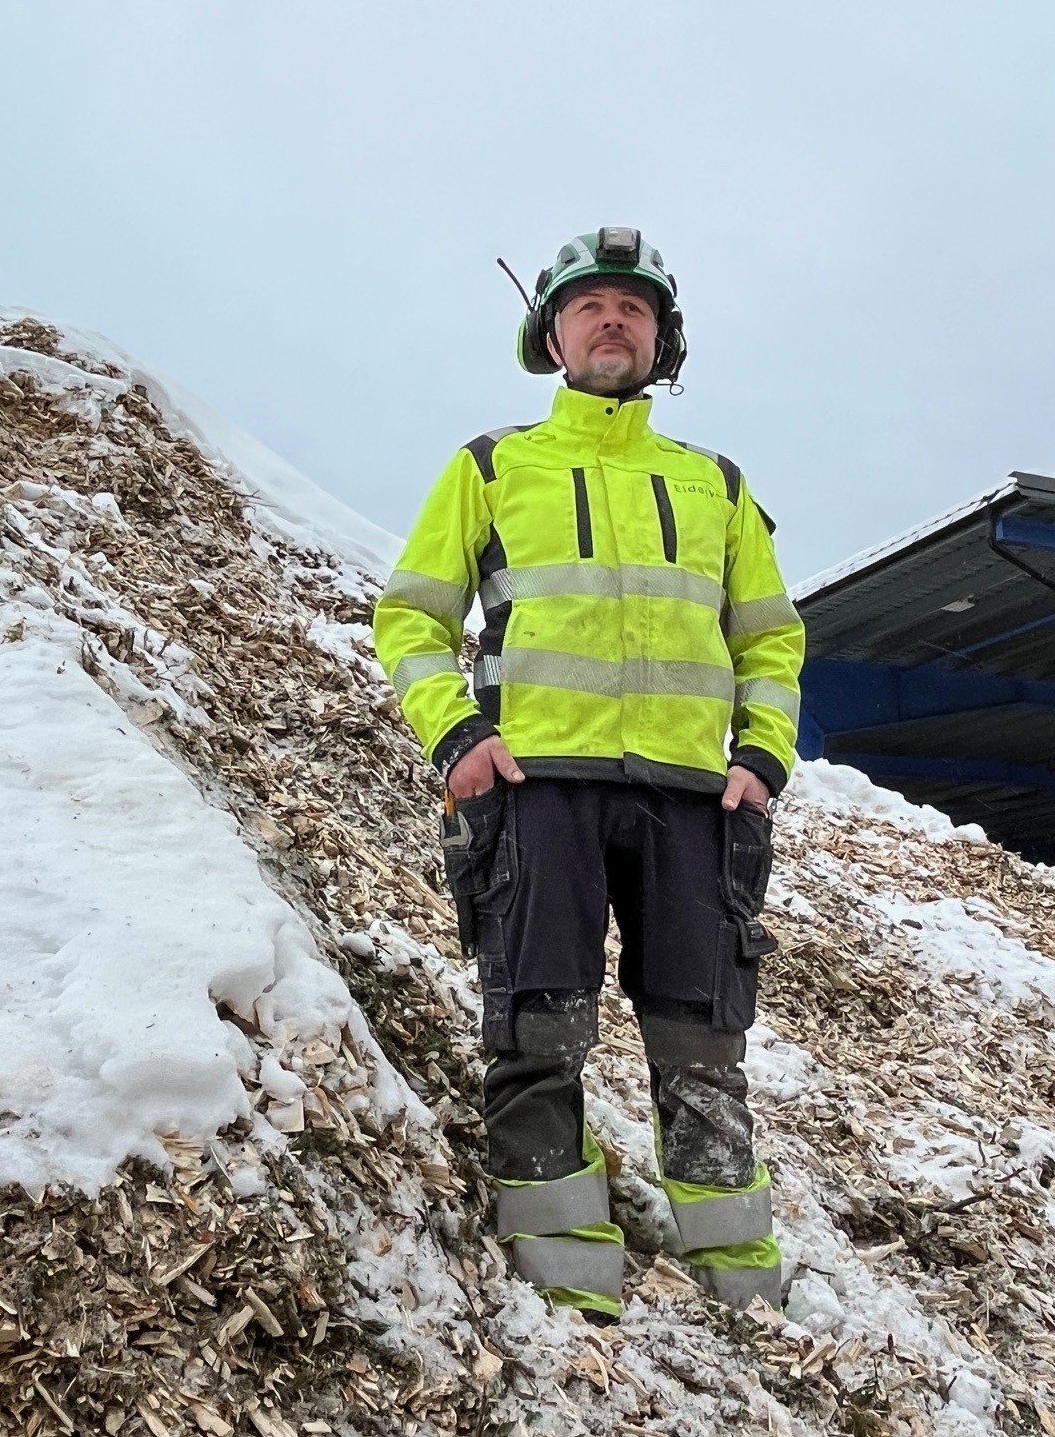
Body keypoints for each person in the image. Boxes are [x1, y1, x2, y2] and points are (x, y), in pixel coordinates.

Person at [372, 227, 806, 1318]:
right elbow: (413, 618)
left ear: (663, 342)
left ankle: (736, 1271)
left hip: (693, 802)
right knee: (540, 1022)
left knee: (703, 1040)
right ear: (551, 334)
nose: (613, 320)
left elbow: (771, 639)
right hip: (537, 790)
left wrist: (761, 757)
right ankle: (566, 1274)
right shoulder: (492, 465)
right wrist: (459, 737)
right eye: (590, 306)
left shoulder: (715, 484)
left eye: (635, 308)